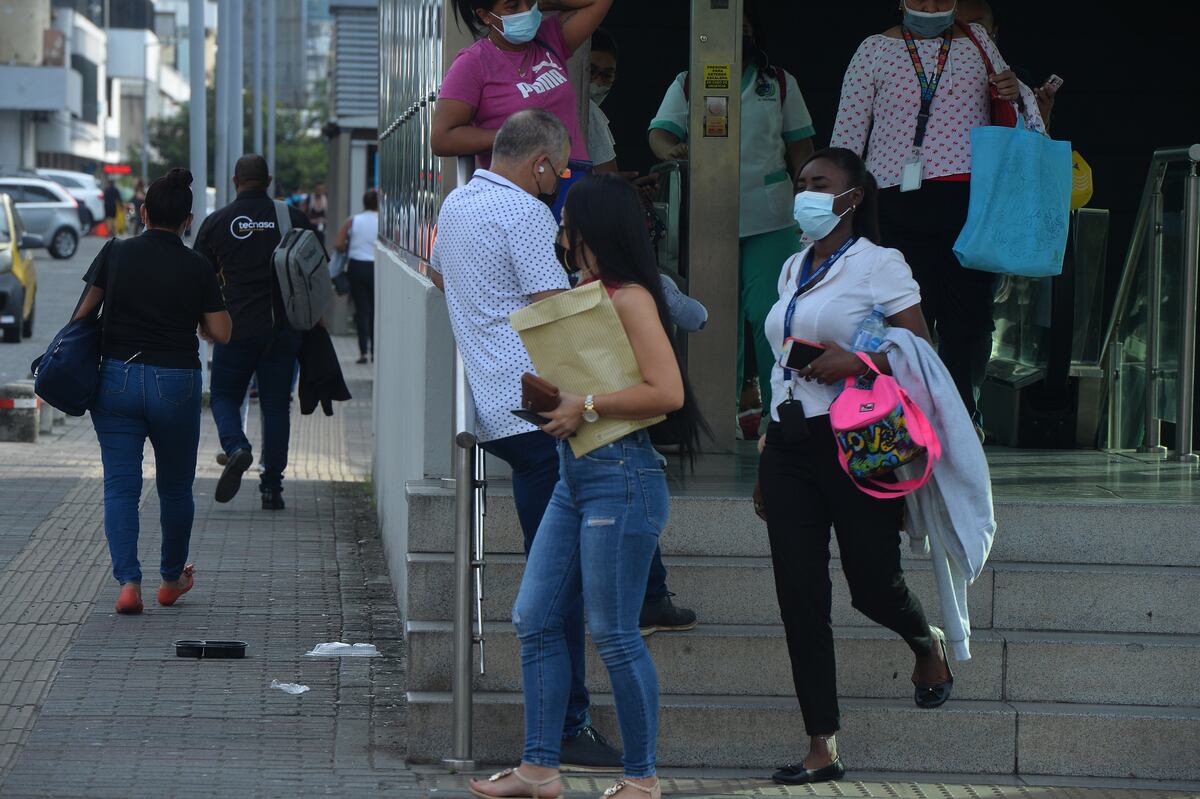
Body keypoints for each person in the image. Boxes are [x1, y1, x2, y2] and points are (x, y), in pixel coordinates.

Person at [433, 110, 697, 773]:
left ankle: (605, 762)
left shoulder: (458, 204)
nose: (561, 227)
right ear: (543, 165)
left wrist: (490, 330)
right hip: (554, 417)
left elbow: (445, 278)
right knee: (554, 606)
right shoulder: (524, 215)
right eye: (559, 177)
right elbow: (572, 312)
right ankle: (560, 740)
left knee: (574, 612)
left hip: (528, 416)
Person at [756, 148, 953, 785]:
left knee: (871, 584)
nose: (805, 193)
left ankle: (926, 642)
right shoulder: (792, 266)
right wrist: (764, 452)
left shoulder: (879, 265)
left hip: (855, 444)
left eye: (820, 184)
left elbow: (920, 353)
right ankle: (823, 744)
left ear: (853, 196)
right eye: (801, 183)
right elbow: (780, 365)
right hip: (789, 447)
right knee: (799, 596)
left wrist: (859, 362)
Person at [830, 0, 1046, 431]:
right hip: (892, 200)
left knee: (969, 316)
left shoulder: (978, 41)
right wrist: (836, 207)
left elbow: (1021, 110)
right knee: (899, 311)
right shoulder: (872, 49)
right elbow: (848, 134)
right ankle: (895, 413)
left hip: (968, 199)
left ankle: (961, 414)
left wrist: (1014, 90)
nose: (929, 6)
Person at [648, 0, 816, 435]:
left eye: (743, 28)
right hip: (709, 215)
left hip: (771, 215)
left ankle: (778, 409)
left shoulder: (777, 82)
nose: (735, 35)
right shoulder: (689, 82)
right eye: (728, 28)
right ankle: (717, 416)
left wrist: (808, 192)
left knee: (770, 313)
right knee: (715, 314)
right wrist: (672, 151)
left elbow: (801, 144)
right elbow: (660, 132)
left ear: (754, 34)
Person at [75, 168, 232, 614]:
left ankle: (128, 584)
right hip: (175, 382)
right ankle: (170, 579)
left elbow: (82, 313)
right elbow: (221, 332)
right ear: (188, 221)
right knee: (176, 488)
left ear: (143, 212)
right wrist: (198, 320)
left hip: (116, 380)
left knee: (120, 488)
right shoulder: (198, 265)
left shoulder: (116, 252)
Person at [194, 154, 312, 511]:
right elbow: (313, 270)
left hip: (236, 328)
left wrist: (204, 324)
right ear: (269, 180)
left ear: (234, 181)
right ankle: (271, 489)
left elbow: (200, 279)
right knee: (277, 407)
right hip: (283, 329)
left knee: (224, 397)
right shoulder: (293, 218)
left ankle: (236, 447)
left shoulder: (217, 222)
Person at [431, 0, 613, 219]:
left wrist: (542, 4)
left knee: (575, 252)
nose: (526, 11)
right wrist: (514, 136)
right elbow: (443, 138)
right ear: (485, 15)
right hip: (518, 195)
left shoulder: (551, 40)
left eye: (530, 2)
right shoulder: (473, 63)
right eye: (513, 6)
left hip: (572, 181)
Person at [956, 0, 1059, 130]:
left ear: (994, 32)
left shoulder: (1019, 79)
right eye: (959, 25)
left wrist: (1038, 114)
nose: (969, 32)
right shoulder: (935, 70)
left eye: (978, 25)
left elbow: (1033, 144)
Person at [334, 189, 379, 364]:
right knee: (375, 310)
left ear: (364, 202)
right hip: (377, 267)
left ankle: (363, 353)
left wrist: (349, 247)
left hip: (357, 267)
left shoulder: (353, 221)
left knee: (362, 310)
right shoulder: (384, 221)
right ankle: (375, 352)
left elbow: (338, 244)